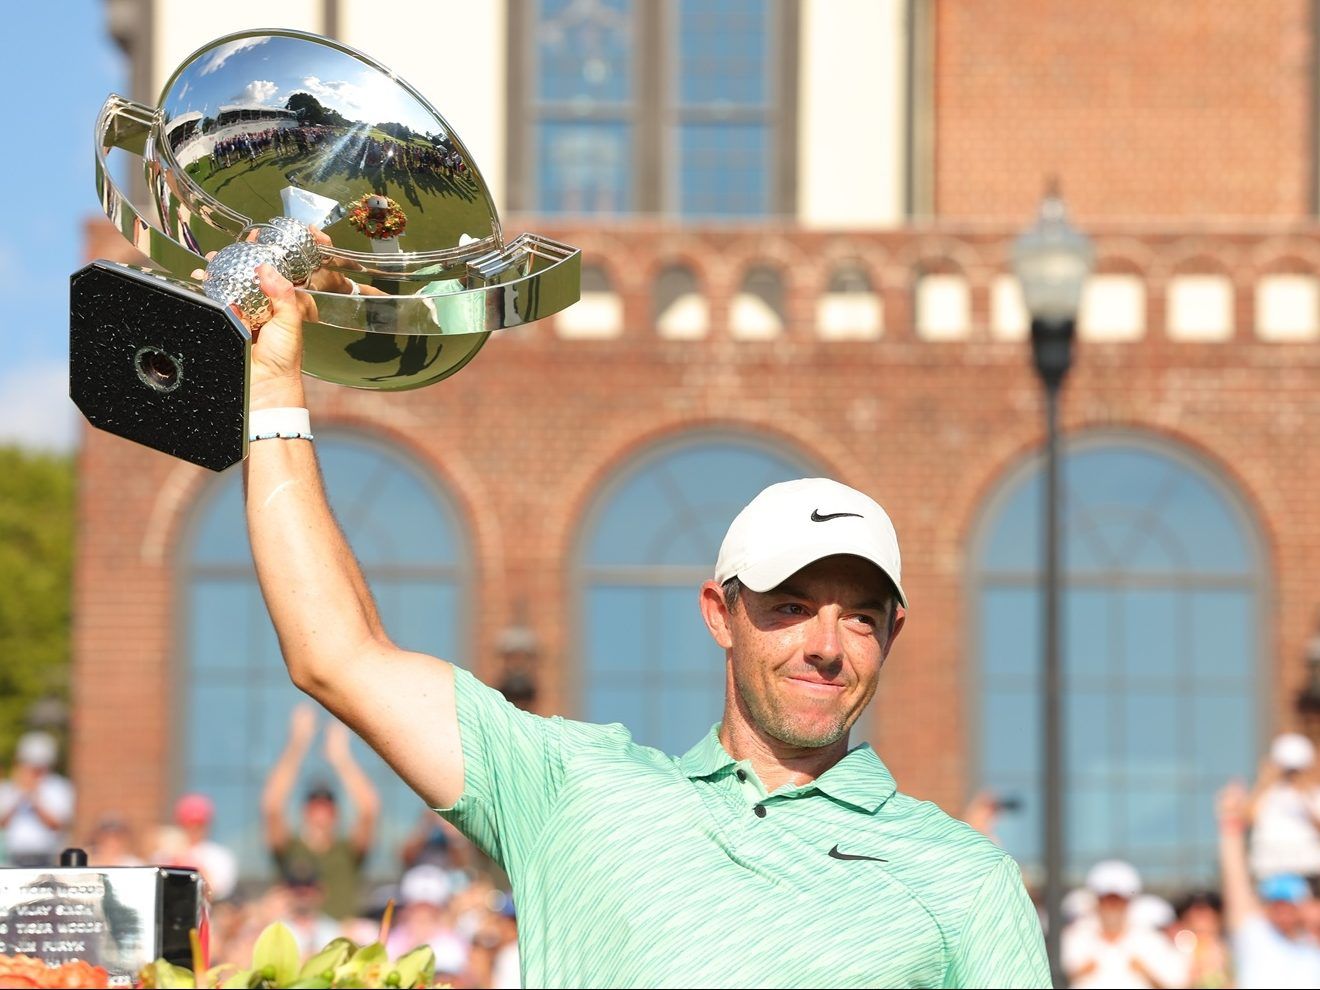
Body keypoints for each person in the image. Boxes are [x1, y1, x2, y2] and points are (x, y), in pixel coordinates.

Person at [234, 262, 1049, 986]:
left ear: (892, 636)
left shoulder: (963, 878)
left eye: (859, 619)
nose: (825, 647)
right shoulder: (573, 791)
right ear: (719, 614)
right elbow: (336, 655)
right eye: (790, 608)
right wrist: (273, 392)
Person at [261, 704, 379, 920]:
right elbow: (272, 806)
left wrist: (341, 758)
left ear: (336, 812)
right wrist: (297, 744)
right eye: (315, 806)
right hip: (297, 942)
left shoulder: (347, 851)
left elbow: (369, 810)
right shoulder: (290, 848)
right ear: (306, 810)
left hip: (340, 945)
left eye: (327, 806)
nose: (321, 813)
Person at [1218, 780, 1320, 988]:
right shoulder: (1254, 936)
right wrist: (1230, 823)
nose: (1282, 912)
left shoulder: (1312, 948)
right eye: (1276, 905)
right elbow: (1235, 880)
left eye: (1289, 905)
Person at [1060, 859, 1187, 989]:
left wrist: (1147, 973)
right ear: (1096, 902)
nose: (1112, 908)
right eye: (1106, 900)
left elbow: (1177, 982)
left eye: (1118, 901)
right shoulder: (1074, 938)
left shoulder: (1152, 941)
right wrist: (1074, 974)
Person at [1247, 732, 1320, 880]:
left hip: (1307, 868)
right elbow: (1249, 817)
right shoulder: (1268, 792)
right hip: (1269, 869)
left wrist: (1304, 792)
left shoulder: (1314, 793)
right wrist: (1264, 782)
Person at [0, 731, 75, 867]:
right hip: (13, 856)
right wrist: (19, 794)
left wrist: (33, 796)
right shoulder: (10, 786)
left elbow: (56, 824)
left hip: (46, 856)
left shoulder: (58, 786)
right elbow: (3, 822)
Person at [155, 793, 238, 901]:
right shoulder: (164, 853)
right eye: (188, 823)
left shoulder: (220, 856)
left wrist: (185, 858)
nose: (193, 829)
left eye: (198, 824)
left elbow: (214, 891)